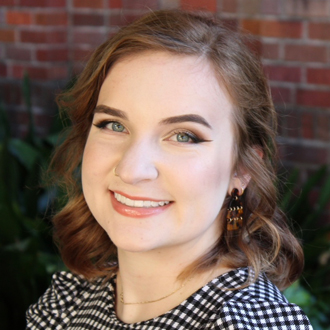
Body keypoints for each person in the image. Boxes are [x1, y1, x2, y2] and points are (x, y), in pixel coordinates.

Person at [26, 9, 312, 329]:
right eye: (113, 124)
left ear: (242, 168)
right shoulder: (70, 302)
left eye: (183, 136)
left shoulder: (247, 324)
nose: (132, 169)